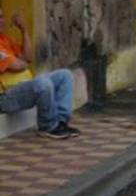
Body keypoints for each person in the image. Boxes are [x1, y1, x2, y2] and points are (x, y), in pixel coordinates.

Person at [0, 8, 79, 139]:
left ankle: (60, 122)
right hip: (5, 97)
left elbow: (28, 57)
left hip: (22, 88)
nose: (1, 21)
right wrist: (21, 62)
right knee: (43, 84)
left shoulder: (5, 40)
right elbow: (18, 66)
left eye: (2, 17)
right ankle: (48, 127)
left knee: (65, 75)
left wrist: (23, 30)